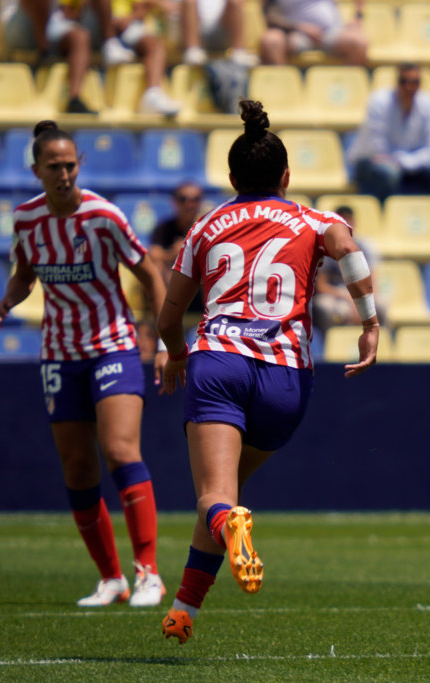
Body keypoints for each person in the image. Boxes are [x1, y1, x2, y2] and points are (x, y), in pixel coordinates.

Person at [156, 100, 379, 644]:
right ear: (286, 177)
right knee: (224, 494)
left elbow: (169, 315)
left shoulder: (207, 224)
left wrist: (175, 353)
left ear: (232, 177)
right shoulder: (312, 218)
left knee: (216, 498)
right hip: (285, 380)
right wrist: (368, 323)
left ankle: (214, 551)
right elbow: (348, 248)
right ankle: (185, 608)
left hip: (220, 363)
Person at [0, 120, 170, 608]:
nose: (64, 174)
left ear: (80, 165)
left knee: (119, 450)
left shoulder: (104, 216)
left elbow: (149, 274)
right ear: (37, 170)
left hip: (112, 345)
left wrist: (161, 340)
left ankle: (148, 573)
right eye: (54, 166)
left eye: (70, 165)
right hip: (59, 352)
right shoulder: (27, 220)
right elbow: (25, 273)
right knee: (76, 467)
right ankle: (110, 579)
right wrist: (9, 298)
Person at [346, 62, 430, 204]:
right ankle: (382, 219)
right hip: (371, 160)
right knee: (389, 174)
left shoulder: (429, 103)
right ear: (397, 83)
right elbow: (378, 146)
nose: (409, 87)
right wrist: (405, 161)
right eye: (404, 82)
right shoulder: (379, 102)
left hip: (413, 163)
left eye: (415, 82)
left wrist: (408, 162)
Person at [0, 0, 136, 113]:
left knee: (80, 37)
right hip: (19, 23)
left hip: (55, 22)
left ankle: (74, 98)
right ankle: (44, 50)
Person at [259, 0, 366, 66]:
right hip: (294, 34)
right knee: (270, 41)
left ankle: (345, 91)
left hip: (330, 32)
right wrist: (299, 27)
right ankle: (283, 91)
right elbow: (270, 16)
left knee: (359, 42)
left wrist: (357, 17)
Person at [181, 0, 258, 66]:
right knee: (189, 1)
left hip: (225, 31)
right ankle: (192, 51)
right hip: (195, 31)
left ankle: (239, 53)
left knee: (235, 1)